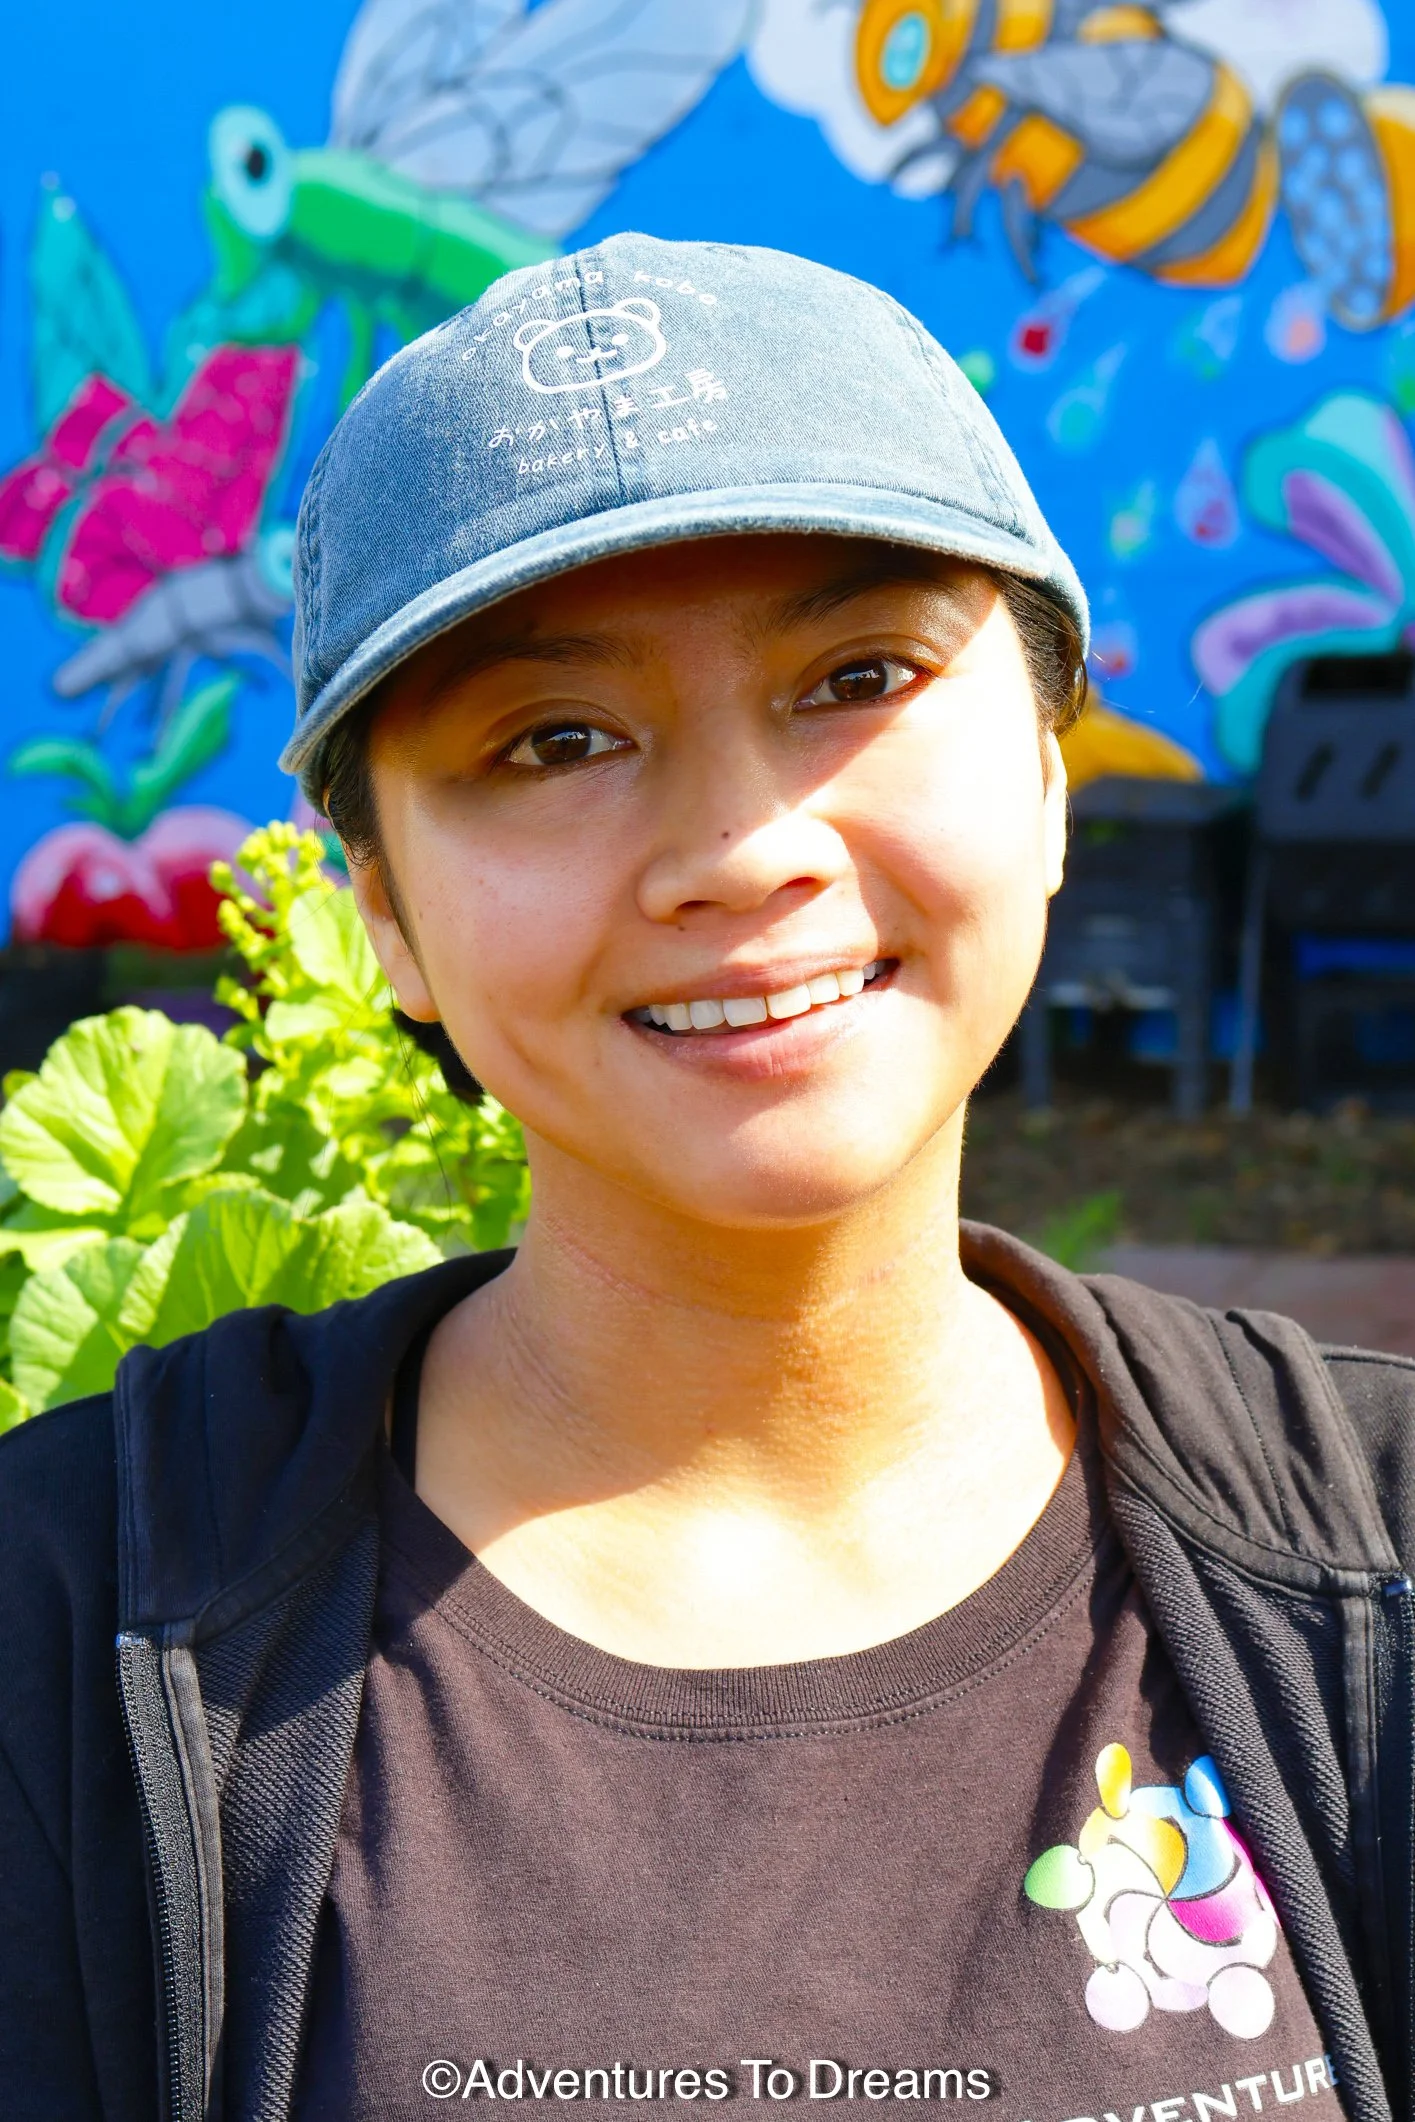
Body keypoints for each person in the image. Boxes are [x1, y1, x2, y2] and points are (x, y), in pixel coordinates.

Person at [1, 235, 1412, 2122]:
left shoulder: (1373, 1560)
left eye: (856, 674)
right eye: (556, 739)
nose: (742, 849)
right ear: (386, 913)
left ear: (1047, 775)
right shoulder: (70, 1625)